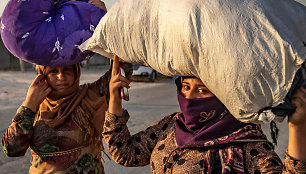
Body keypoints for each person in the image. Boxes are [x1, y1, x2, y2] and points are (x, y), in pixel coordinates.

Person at [102, 55, 306, 173]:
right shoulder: (171, 125)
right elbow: (126, 154)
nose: (189, 96)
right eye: (186, 86)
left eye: (203, 90)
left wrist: (297, 127)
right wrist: (115, 99)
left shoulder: (246, 143)